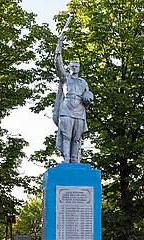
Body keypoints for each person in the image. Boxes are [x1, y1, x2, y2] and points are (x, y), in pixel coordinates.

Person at [53, 14, 93, 163]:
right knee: (67, 136)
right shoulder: (65, 78)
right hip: (67, 109)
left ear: (79, 68)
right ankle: (67, 158)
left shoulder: (83, 82)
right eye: (72, 66)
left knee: (77, 138)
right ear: (69, 68)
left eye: (77, 66)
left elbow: (87, 102)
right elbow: (58, 63)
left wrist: (89, 99)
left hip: (79, 111)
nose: (74, 67)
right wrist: (60, 41)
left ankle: (75, 160)